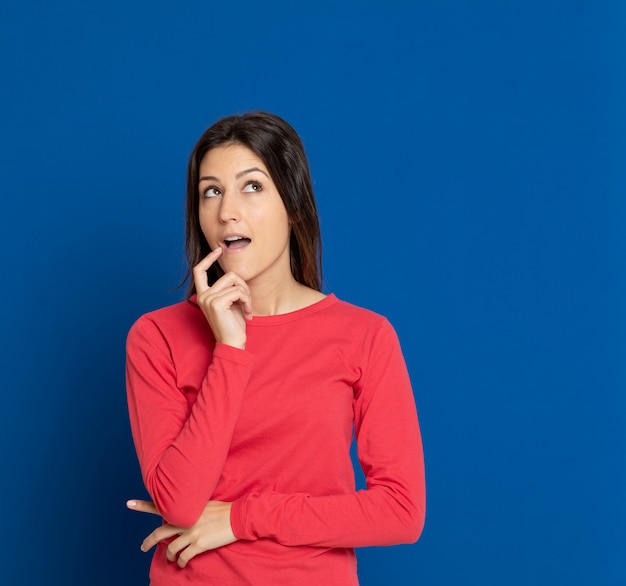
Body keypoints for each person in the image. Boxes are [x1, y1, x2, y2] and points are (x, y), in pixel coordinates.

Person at [125, 110, 426, 585]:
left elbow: (401, 511)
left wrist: (240, 518)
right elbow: (180, 502)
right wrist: (231, 348)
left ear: (295, 205)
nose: (227, 211)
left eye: (251, 186)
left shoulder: (364, 335)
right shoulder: (157, 336)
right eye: (211, 191)